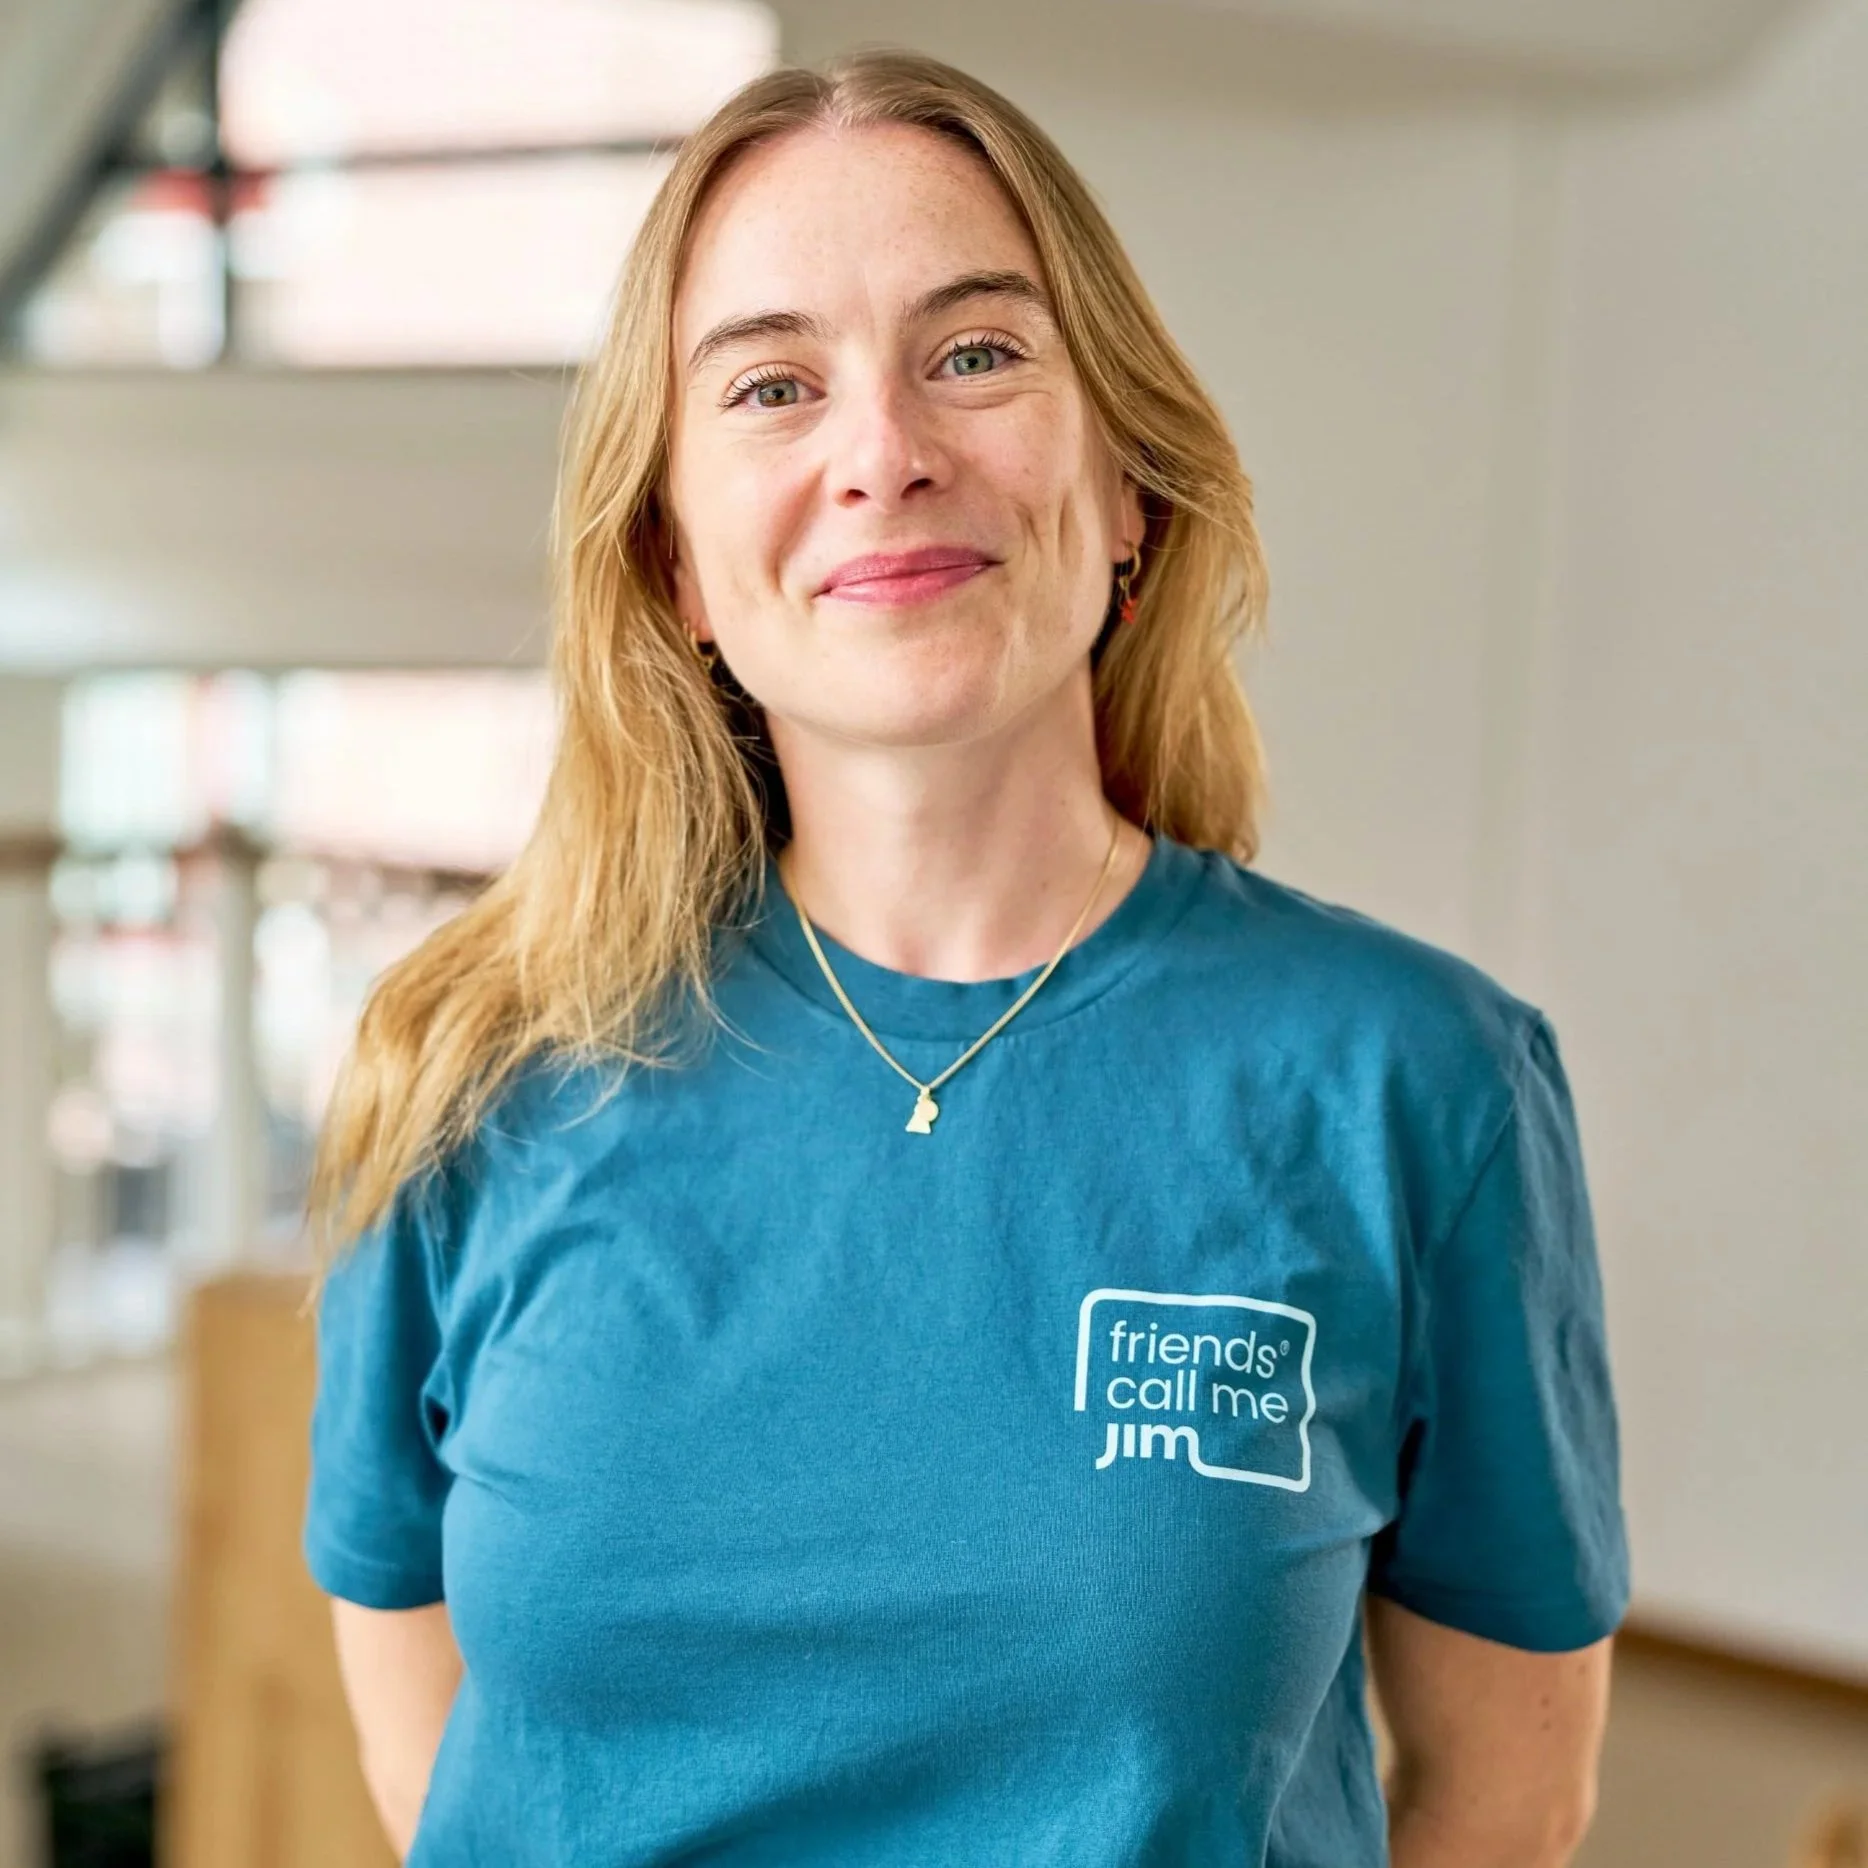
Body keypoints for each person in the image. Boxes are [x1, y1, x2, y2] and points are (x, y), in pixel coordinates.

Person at [300, 45, 1629, 1868]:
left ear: (1133, 488)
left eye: (978, 356)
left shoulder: (1416, 1079)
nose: (886, 454)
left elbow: (1507, 1796)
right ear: (679, 563)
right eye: (773, 387)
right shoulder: (471, 1077)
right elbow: (431, 1755)